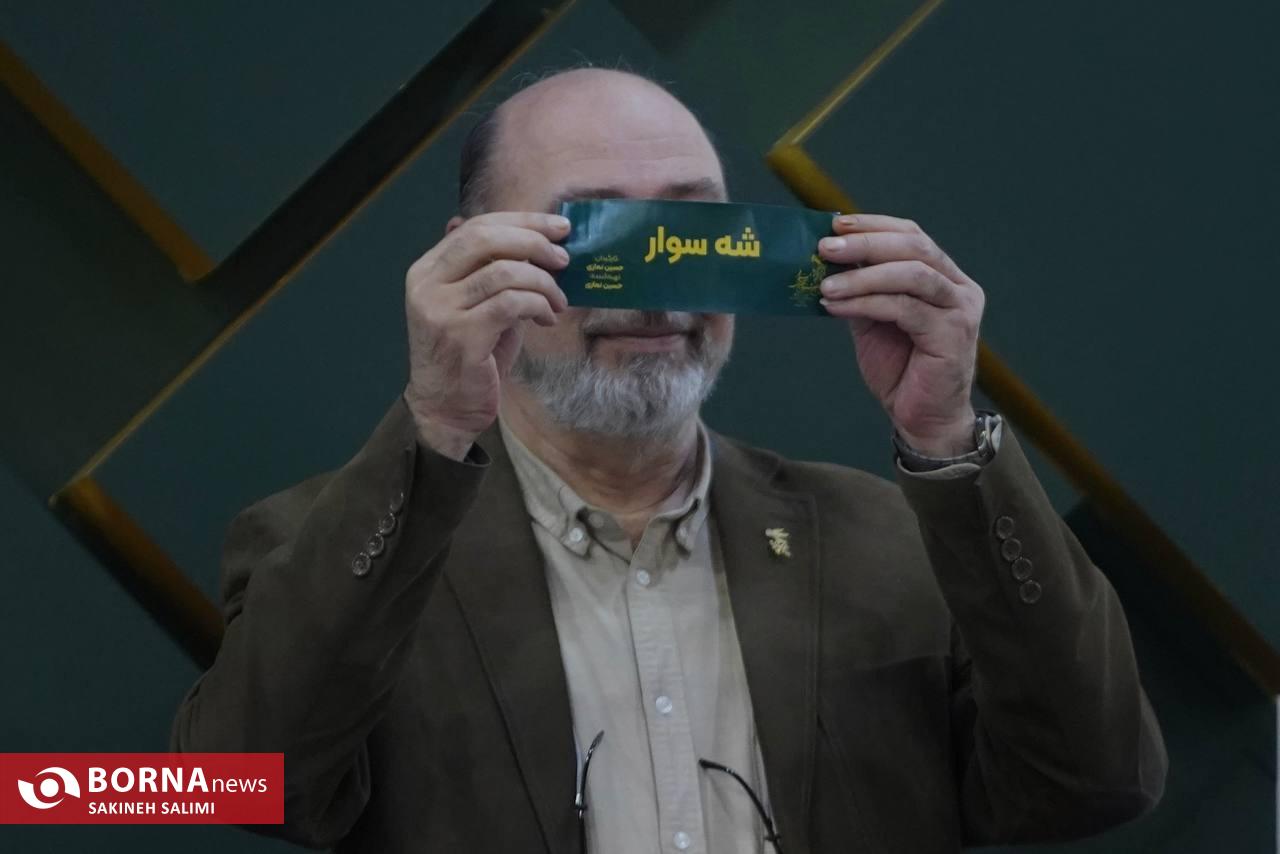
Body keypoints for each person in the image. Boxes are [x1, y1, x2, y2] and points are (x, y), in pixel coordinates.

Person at [171, 68, 1166, 854]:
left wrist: (946, 439)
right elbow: (237, 788)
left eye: (692, 231)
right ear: (469, 260)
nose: (654, 289)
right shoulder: (330, 543)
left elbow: (1098, 778)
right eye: (597, 231)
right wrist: (433, 426)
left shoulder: (892, 541)